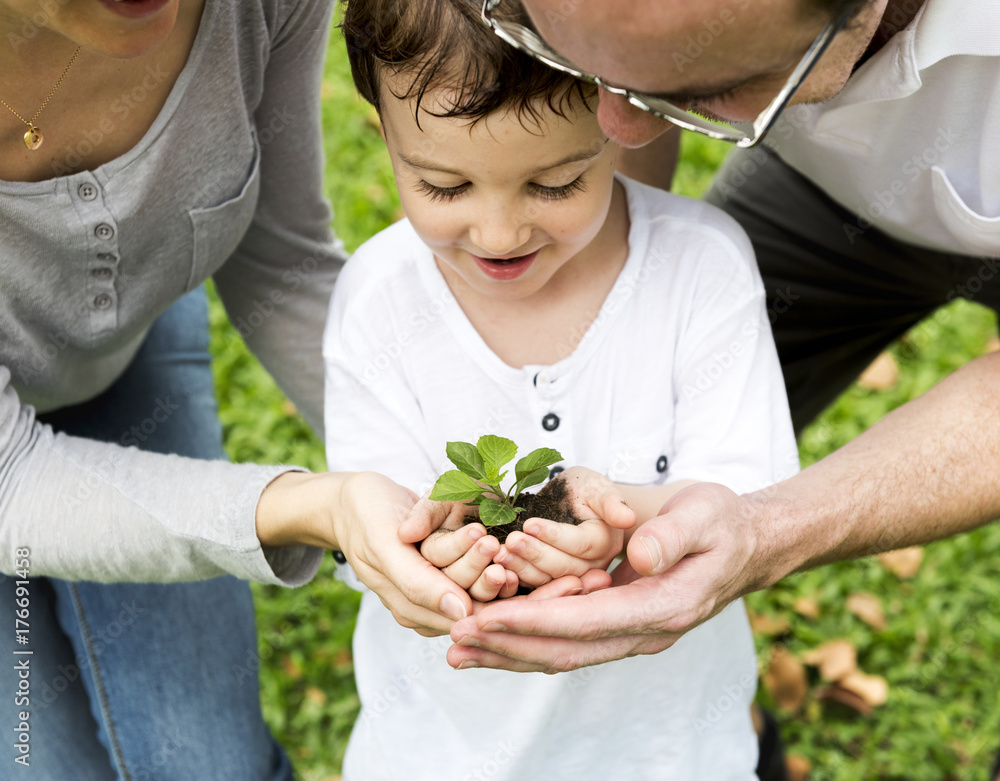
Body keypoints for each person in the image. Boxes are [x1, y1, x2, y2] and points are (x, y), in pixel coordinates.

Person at [431, 0, 1000, 695]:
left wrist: (766, 532)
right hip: (828, 188)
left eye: (704, 92)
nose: (616, 127)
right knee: (655, 439)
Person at [0, 0, 494, 776]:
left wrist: (460, 489)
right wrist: (315, 506)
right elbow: (11, 480)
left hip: (120, 361)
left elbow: (283, 261)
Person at [325, 0, 798, 777]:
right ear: (386, 135)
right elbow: (373, 531)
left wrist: (625, 524)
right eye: (445, 186)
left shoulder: (699, 269)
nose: (500, 233)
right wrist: (447, 550)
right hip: (445, 753)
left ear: (624, 119)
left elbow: (750, 503)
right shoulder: (379, 299)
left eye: (555, 183)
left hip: (665, 751)